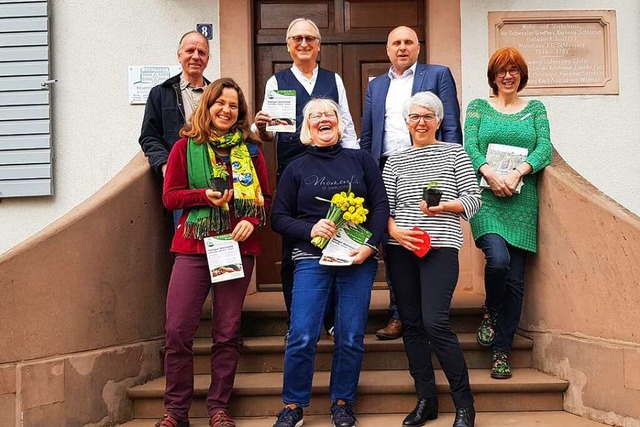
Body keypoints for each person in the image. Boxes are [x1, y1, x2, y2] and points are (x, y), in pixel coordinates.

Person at [157, 78, 272, 427]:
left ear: (240, 113)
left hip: (235, 249)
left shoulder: (250, 151)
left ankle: (218, 406)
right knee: (177, 330)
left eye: (233, 106)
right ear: (207, 106)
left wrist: (252, 220)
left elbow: (265, 198)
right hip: (193, 247)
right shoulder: (184, 147)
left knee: (226, 331)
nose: (226, 109)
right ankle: (176, 411)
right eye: (219, 103)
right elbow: (170, 196)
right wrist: (203, 195)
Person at [270, 98, 388, 427]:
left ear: (339, 123)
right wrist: (310, 228)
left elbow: (380, 206)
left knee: (350, 335)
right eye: (316, 116)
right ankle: (293, 406)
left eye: (330, 115)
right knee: (303, 334)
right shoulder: (296, 167)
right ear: (307, 127)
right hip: (310, 258)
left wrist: (370, 245)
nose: (324, 119)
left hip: (355, 258)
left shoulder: (361, 160)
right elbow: (277, 218)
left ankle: (342, 402)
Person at [253, 17, 359, 335]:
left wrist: (354, 165)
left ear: (318, 46)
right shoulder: (276, 82)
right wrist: (261, 127)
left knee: (335, 241)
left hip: (333, 172)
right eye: (297, 38)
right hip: (294, 174)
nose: (303, 44)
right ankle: (295, 319)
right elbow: (270, 136)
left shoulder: (334, 79)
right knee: (295, 249)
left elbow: (348, 125)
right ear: (288, 45)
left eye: (310, 38)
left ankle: (331, 319)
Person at [382, 92, 481, 427]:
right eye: (414, 116)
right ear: (406, 122)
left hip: (440, 248)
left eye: (427, 116)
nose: (420, 122)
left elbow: (473, 200)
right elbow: (385, 209)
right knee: (410, 324)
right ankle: (426, 400)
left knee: (434, 322)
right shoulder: (394, 160)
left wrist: (444, 206)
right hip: (401, 250)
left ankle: (465, 404)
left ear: (438, 121)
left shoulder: (455, 153)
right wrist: (395, 233)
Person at [360, 25, 463, 341]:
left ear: (418, 47)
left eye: (408, 42)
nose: (402, 47)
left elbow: (451, 126)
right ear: (388, 50)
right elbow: (368, 135)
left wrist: (453, 167)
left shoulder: (438, 74)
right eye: (396, 43)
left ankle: (430, 310)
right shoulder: (376, 86)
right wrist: (365, 172)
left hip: (430, 165)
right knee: (394, 239)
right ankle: (400, 312)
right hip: (387, 167)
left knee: (428, 232)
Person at [464, 47, 552, 380]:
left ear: (521, 74)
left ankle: (502, 351)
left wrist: (518, 172)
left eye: (514, 69)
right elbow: (470, 144)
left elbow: (544, 147)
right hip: (486, 197)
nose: (508, 75)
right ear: (493, 75)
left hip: (521, 199)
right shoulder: (478, 107)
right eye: (502, 70)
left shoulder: (535, 109)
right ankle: (490, 309)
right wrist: (488, 172)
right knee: (497, 260)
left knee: (515, 282)